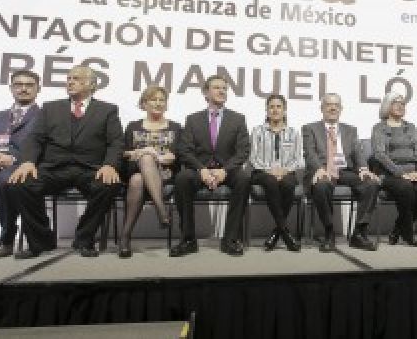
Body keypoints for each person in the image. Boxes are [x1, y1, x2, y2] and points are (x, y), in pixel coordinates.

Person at [8, 65, 123, 258]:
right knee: (21, 184)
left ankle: (84, 239)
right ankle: (41, 241)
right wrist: (27, 162)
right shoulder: (51, 108)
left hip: (90, 169)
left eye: (76, 79)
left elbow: (115, 142)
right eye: (68, 78)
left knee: (108, 184)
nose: (70, 82)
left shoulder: (107, 110)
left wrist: (109, 165)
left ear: (91, 84)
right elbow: (35, 138)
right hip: (54, 168)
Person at [173, 75, 251, 257]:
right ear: (206, 93)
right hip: (200, 169)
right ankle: (188, 239)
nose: (222, 91)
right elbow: (185, 150)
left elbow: (243, 151)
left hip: (228, 170)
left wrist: (225, 170)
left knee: (244, 178)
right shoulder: (193, 119)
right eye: (217, 87)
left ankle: (230, 239)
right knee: (182, 178)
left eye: (224, 88)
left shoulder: (238, 119)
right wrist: (202, 170)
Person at [302, 93, 379, 252]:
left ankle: (358, 233)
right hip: (323, 169)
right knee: (322, 186)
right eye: (329, 104)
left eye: (336, 105)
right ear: (322, 108)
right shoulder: (310, 128)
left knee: (371, 183)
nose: (333, 107)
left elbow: (357, 152)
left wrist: (364, 169)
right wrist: (319, 169)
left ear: (341, 109)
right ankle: (329, 232)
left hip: (345, 170)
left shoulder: (350, 130)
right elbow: (310, 153)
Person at [119, 85, 182, 258]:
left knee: (139, 180)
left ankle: (125, 237)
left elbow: (176, 155)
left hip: (164, 172)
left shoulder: (176, 127)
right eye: (153, 99)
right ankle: (161, 210)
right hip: (135, 168)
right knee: (144, 162)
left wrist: (162, 157)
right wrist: (140, 152)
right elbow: (124, 152)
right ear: (144, 103)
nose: (158, 103)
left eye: (162, 100)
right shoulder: (132, 126)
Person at [371, 92, 417, 247]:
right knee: (405, 188)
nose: (400, 105)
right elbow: (380, 155)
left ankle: (398, 228)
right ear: (387, 106)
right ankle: (408, 234)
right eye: (395, 102)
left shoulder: (410, 127)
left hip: (414, 173)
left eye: (403, 103)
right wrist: (401, 173)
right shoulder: (379, 128)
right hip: (390, 174)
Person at [0, 70, 41, 258]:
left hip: (21, 166)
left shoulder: (45, 117)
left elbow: (44, 148)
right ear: (11, 88)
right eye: (18, 85)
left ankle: (6, 239)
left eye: (29, 85)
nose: (23, 89)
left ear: (38, 89)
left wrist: (12, 159)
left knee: (6, 180)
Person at [249, 94, 301, 252]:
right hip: (262, 173)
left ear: (284, 110)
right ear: (267, 110)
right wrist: (269, 170)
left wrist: (284, 170)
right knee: (270, 181)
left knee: (289, 183)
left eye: (279, 106)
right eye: (271, 106)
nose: (275, 110)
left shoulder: (293, 132)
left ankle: (277, 232)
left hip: (287, 172)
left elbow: (298, 159)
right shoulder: (257, 131)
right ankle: (285, 232)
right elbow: (253, 157)